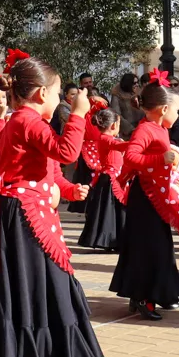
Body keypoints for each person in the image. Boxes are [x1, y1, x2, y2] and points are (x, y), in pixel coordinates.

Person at [0, 52, 100, 357]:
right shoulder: (29, 121)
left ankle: (5, 346)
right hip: (27, 214)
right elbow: (66, 152)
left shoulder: (14, 122)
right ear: (41, 94)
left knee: (19, 280)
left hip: (11, 211)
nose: (58, 99)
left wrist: (54, 188)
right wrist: (79, 115)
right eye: (56, 94)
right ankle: (45, 354)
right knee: (43, 279)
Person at [112, 78, 179, 320]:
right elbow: (133, 158)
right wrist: (161, 160)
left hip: (157, 195)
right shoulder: (146, 129)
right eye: (176, 110)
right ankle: (144, 296)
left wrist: (175, 179)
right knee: (148, 246)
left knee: (159, 245)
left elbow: (162, 164)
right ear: (164, 109)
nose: (178, 115)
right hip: (145, 197)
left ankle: (157, 293)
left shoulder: (161, 130)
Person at [76, 107, 126, 253]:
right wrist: (136, 144)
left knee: (114, 212)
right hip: (110, 180)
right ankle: (109, 239)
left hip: (113, 179)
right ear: (114, 125)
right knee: (110, 212)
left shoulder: (108, 138)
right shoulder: (105, 139)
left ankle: (116, 239)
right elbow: (117, 146)